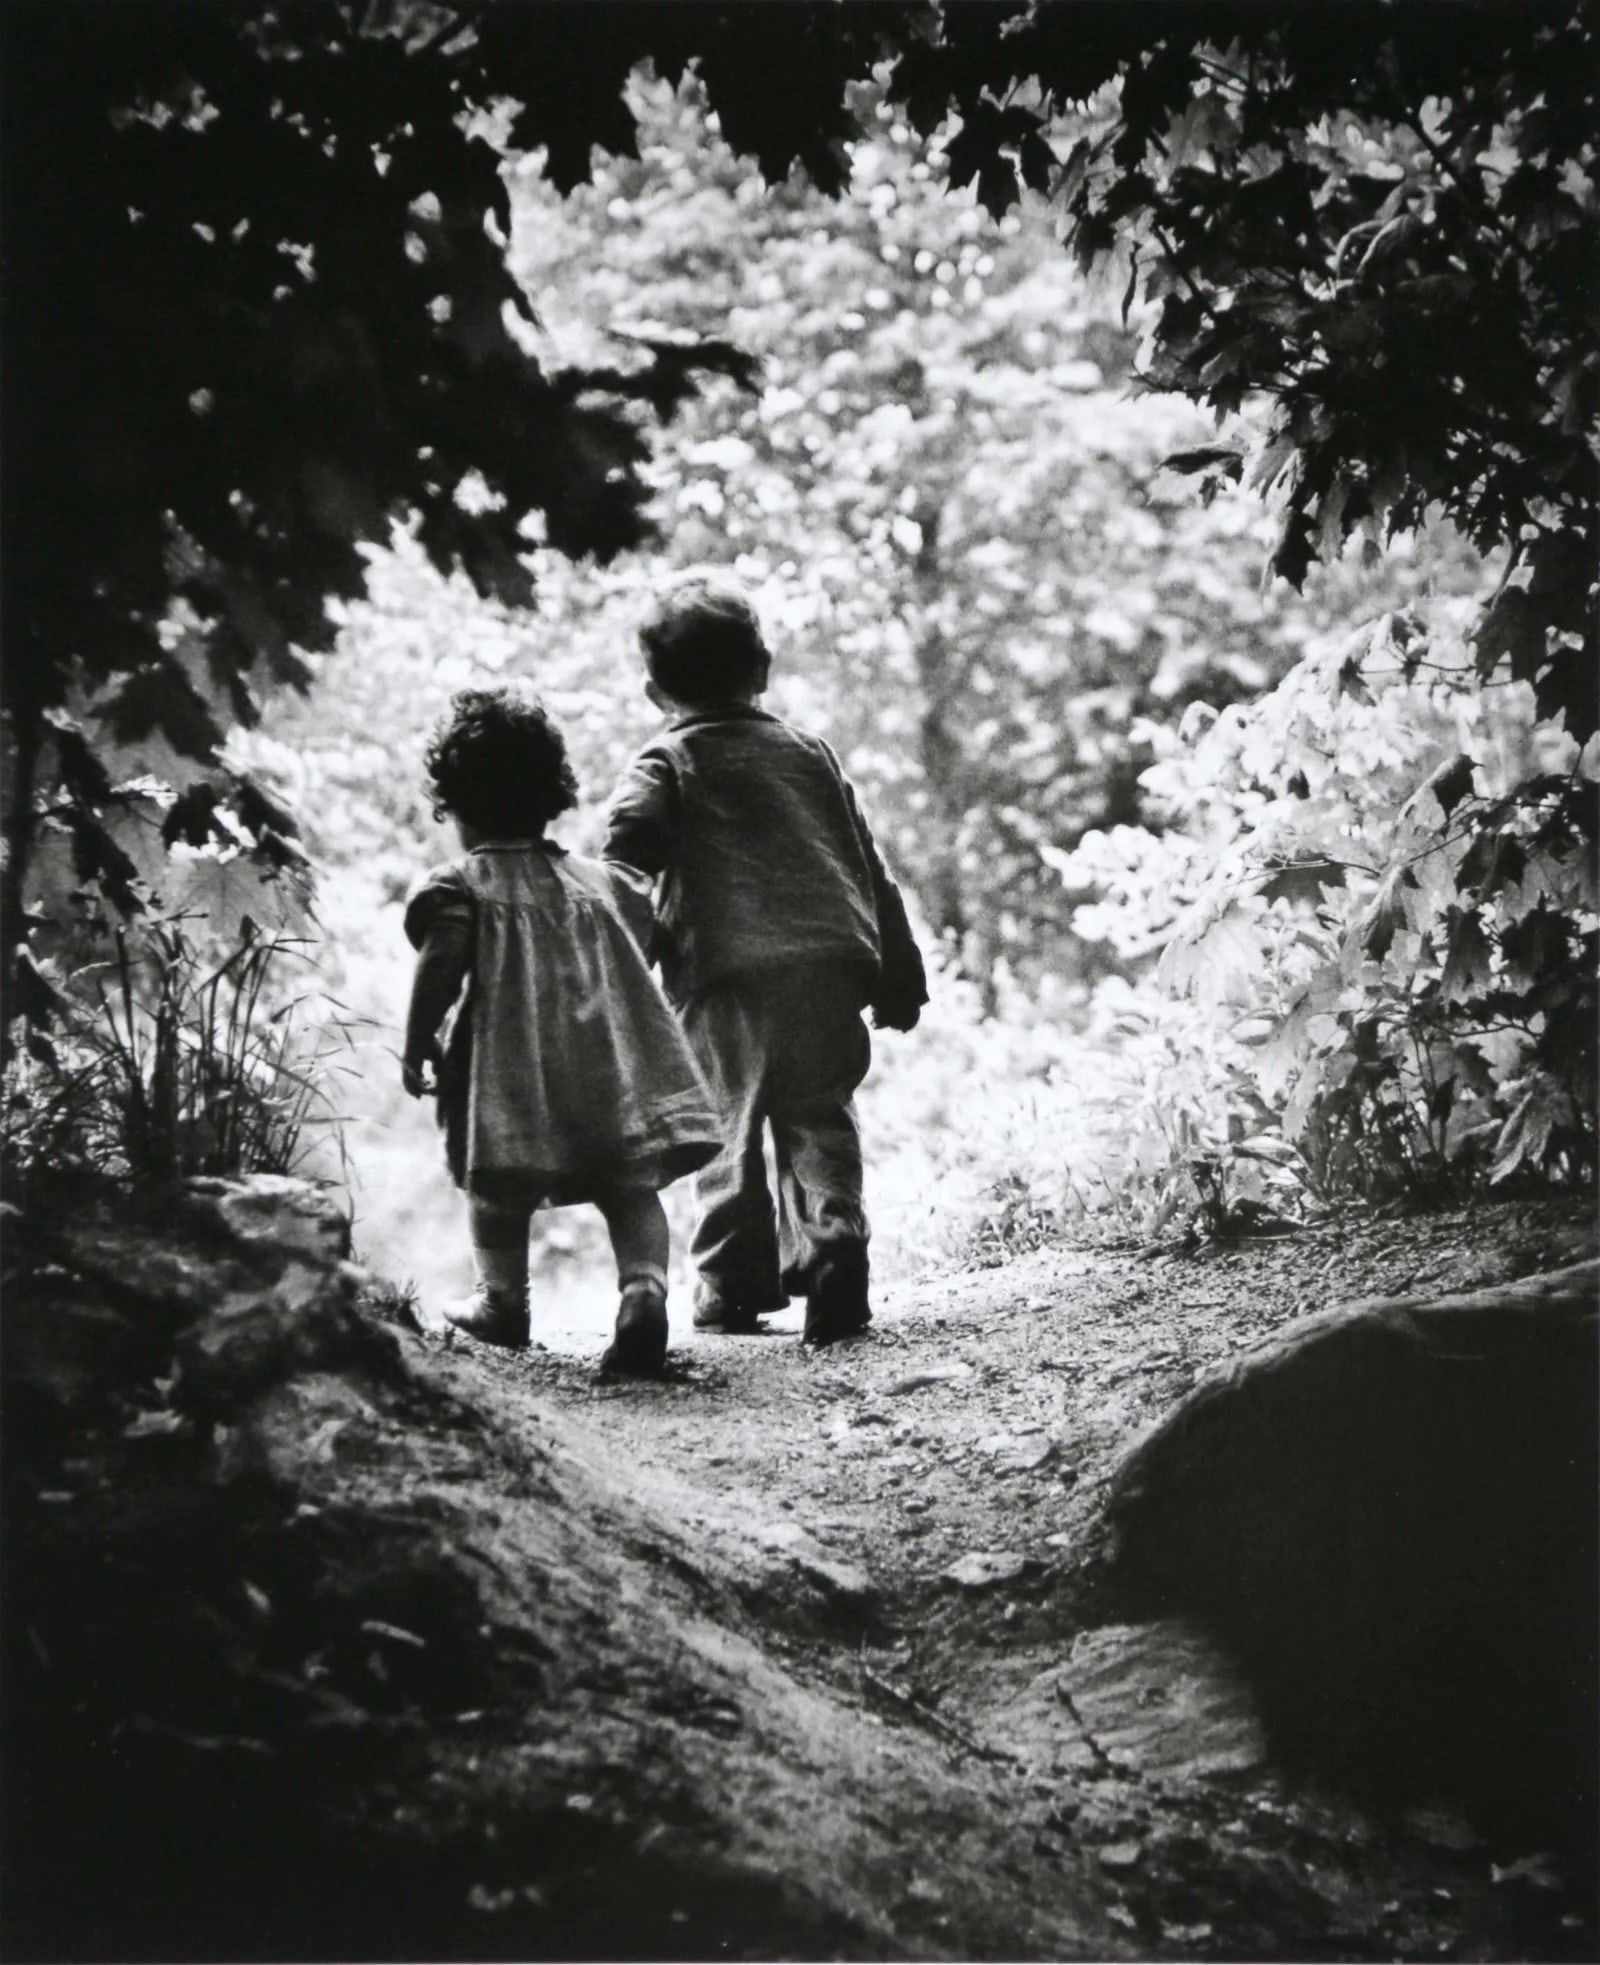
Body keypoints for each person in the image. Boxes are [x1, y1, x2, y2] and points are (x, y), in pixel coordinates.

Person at [602, 573, 927, 1347]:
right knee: (820, 1114)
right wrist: (899, 970)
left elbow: (626, 849)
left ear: (655, 692)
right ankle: (835, 1239)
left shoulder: (666, 761)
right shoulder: (811, 754)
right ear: (764, 668)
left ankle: (729, 1283)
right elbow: (867, 864)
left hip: (726, 979)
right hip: (828, 966)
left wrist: (625, 948)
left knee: (726, 1129)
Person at [401, 684, 720, 1377]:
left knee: (495, 1191)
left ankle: (504, 1304)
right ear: (552, 793)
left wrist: (417, 1037)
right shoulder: (601, 882)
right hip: (612, 1069)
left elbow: (441, 963)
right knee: (631, 1185)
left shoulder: (462, 886)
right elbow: (650, 933)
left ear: (455, 806)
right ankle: (643, 1292)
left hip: (510, 1079)